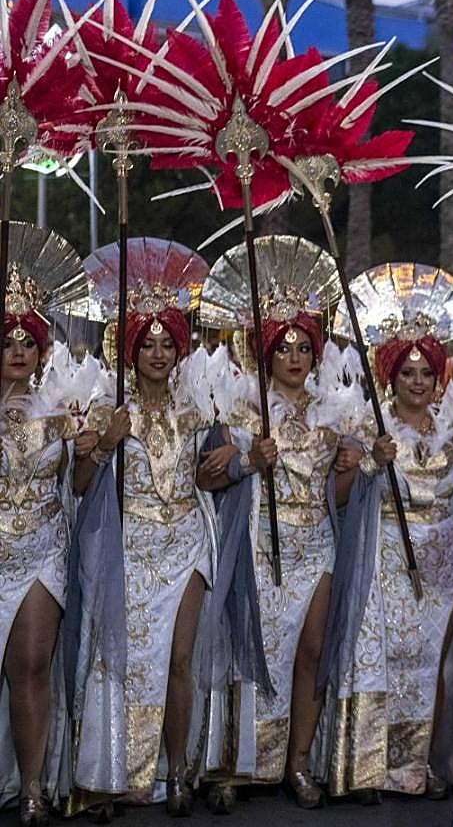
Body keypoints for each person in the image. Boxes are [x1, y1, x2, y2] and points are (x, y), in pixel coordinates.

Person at [200, 236, 377, 809]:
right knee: (246, 652)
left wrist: (354, 467)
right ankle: (234, 766)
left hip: (315, 545)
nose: (296, 357)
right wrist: (251, 459)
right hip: (256, 544)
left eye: (305, 347)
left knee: (311, 649)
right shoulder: (240, 406)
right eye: (285, 348)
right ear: (267, 354)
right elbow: (208, 476)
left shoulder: (335, 414)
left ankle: (298, 763)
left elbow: (342, 499)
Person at [71, 239, 227, 819]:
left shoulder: (198, 409)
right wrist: (107, 443)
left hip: (187, 541)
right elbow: (83, 483)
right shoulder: (108, 407)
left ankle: (179, 771)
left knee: (179, 660)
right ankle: (112, 774)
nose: (159, 353)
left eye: (168, 343)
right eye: (149, 344)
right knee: (120, 660)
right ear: (131, 350)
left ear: (180, 349)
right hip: (129, 550)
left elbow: (211, 477)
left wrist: (227, 461)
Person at [324, 262, 453, 800]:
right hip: (385, 553)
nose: (417, 382)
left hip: (441, 560)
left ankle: (416, 768)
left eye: (427, 374)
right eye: (408, 373)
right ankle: (367, 768)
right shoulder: (367, 424)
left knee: (428, 661)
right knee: (381, 657)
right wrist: (367, 463)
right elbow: (337, 497)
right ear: (389, 377)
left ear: (439, 379)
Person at [0, 226, 87, 826]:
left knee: (31, 667)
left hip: (41, 548)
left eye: (27, 341)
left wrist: (100, 447)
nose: (18, 351)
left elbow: (78, 487)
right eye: (7, 340)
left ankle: (33, 787)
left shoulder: (62, 412)